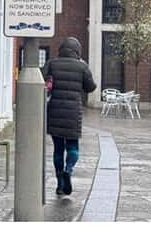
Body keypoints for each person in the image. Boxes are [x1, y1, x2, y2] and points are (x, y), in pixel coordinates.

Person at [42, 37, 96, 196]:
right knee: (73, 147)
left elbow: (41, 77)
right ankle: (68, 170)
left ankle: (60, 183)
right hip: (73, 112)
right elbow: (90, 87)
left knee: (58, 149)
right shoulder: (82, 66)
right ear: (77, 50)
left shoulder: (52, 63)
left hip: (55, 111)